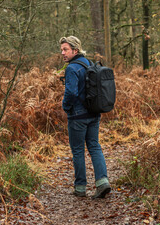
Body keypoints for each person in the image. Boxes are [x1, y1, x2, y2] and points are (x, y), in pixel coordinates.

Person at [59, 36, 111, 198]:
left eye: (65, 49)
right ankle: (103, 182)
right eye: (61, 49)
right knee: (95, 147)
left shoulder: (72, 68)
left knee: (78, 150)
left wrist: (66, 107)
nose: (62, 53)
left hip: (78, 117)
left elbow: (71, 92)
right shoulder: (89, 64)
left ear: (75, 50)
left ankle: (80, 188)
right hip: (94, 113)